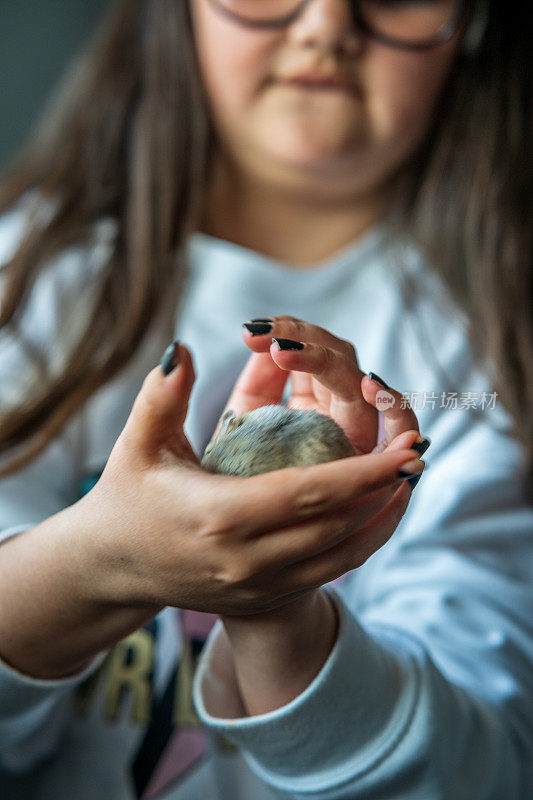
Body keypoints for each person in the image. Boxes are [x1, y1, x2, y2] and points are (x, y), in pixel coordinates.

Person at [0, 0, 531, 798]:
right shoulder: (30, 282)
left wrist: (276, 607)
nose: (325, 25)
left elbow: (478, 769)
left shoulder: (494, 347)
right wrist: (95, 564)